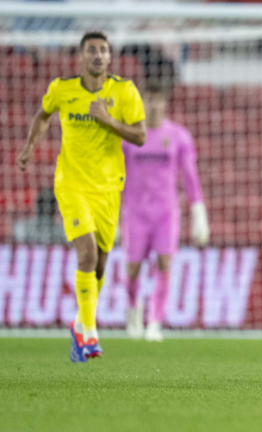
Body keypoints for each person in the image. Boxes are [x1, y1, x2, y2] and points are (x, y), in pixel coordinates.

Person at [17, 32, 146, 362]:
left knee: (100, 264)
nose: (98, 55)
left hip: (108, 188)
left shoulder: (124, 91)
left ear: (110, 58)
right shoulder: (62, 89)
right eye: (92, 50)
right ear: (81, 57)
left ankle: (79, 322)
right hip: (72, 184)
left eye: (103, 50)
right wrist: (31, 145)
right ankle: (88, 331)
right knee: (87, 255)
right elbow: (43, 115)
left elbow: (140, 136)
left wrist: (107, 119)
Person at [122, 83, 209, 342]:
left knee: (164, 263)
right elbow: (118, 178)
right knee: (132, 269)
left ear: (165, 103)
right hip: (135, 212)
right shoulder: (129, 137)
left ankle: (155, 322)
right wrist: (114, 217)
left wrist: (198, 212)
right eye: (149, 100)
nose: (154, 106)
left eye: (158, 100)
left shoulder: (178, 136)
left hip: (165, 212)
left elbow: (190, 176)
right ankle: (132, 309)